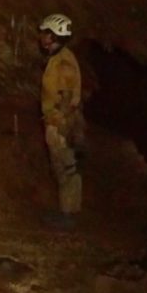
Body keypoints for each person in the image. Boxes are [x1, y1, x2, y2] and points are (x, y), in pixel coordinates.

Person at [38, 13, 85, 228]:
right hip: (57, 121)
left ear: (54, 36)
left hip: (60, 123)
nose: (42, 38)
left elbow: (66, 99)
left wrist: (58, 126)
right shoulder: (58, 58)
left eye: (46, 34)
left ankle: (68, 216)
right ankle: (68, 211)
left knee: (65, 167)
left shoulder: (64, 63)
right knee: (64, 167)